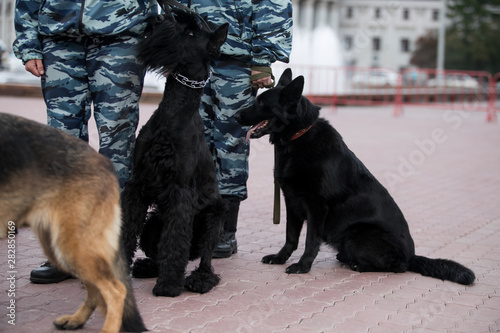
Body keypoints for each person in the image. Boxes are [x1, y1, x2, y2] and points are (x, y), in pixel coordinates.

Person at [13, 0, 157, 283]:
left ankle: (113, 248)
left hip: (121, 39)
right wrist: (29, 45)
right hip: (59, 40)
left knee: (118, 143)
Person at [178, 0, 293, 257]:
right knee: (195, 142)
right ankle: (198, 225)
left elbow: (273, 4)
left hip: (237, 63)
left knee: (231, 144)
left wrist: (263, 60)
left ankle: (224, 232)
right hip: (196, 58)